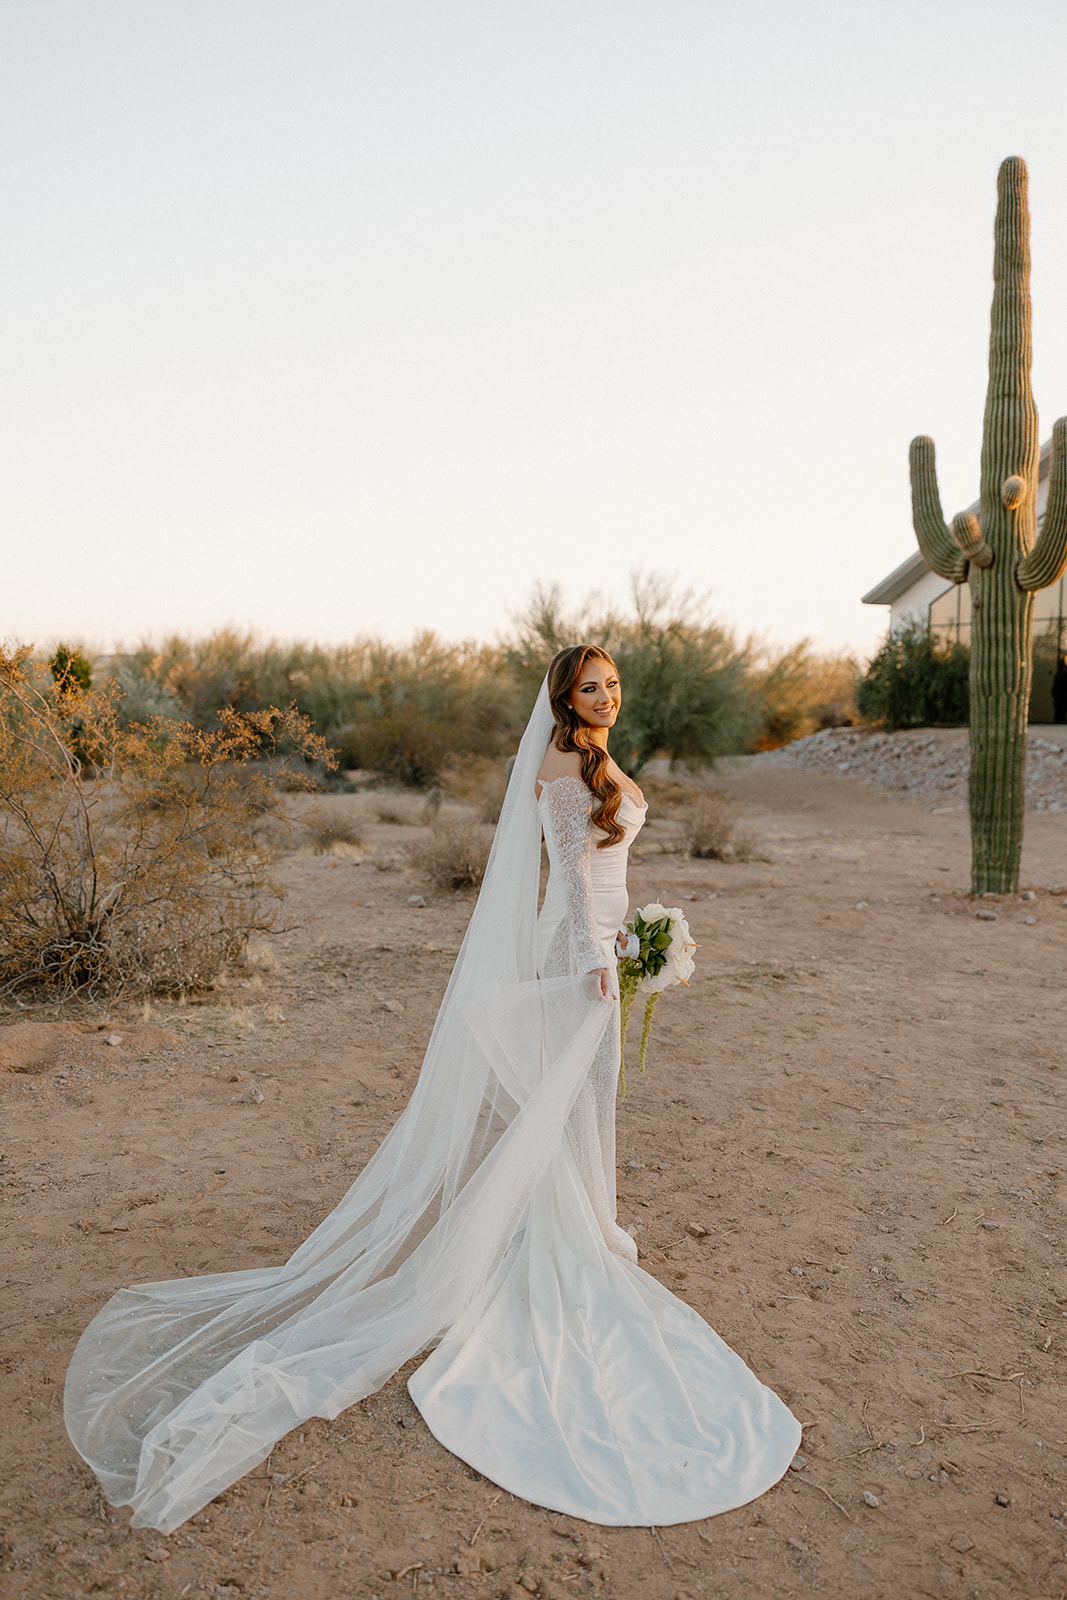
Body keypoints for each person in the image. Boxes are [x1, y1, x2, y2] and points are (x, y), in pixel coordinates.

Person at [65, 646, 800, 1534]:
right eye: (588, 687)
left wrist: (637, 937)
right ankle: (561, 1242)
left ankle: (575, 1227)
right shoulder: (563, 762)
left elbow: (604, 871)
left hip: (604, 944)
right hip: (578, 952)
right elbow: (569, 872)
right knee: (562, 1105)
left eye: (611, 683)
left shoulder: (600, 757)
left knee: (574, 1108)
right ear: (563, 698)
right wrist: (595, 962)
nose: (605, 696)